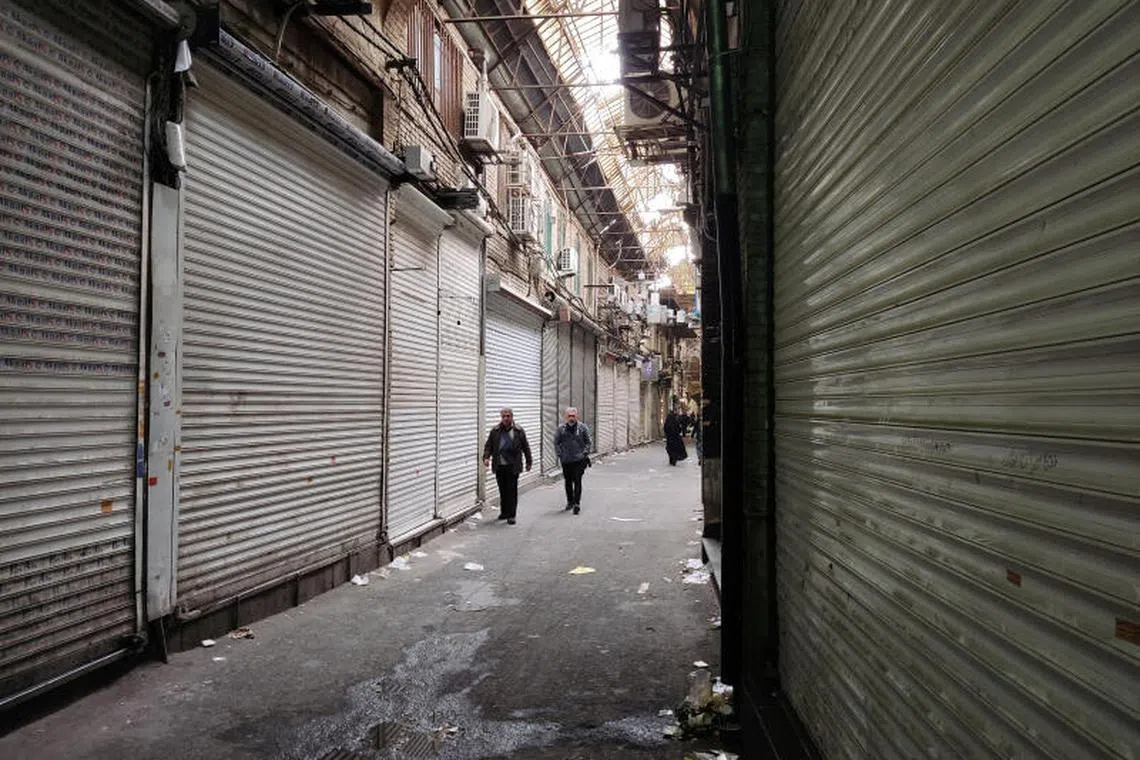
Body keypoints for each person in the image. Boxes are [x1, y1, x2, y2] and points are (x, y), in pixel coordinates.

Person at [482, 408, 532, 525]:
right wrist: (486, 457)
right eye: (503, 416)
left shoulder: (518, 431)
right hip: (500, 465)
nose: (505, 418)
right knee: (503, 490)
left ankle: (511, 515)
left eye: (508, 416)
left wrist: (529, 462)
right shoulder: (495, 431)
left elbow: (525, 447)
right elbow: (489, 445)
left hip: (513, 466)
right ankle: (504, 512)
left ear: (512, 417)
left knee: (512, 490)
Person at [554, 407, 592, 515]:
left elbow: (588, 441)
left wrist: (585, 452)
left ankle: (577, 503)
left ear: (577, 416)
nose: (571, 418)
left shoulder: (582, 428)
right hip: (566, 460)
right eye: (569, 416)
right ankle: (570, 501)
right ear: (566, 417)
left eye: (573, 416)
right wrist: (560, 454)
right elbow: (556, 442)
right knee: (568, 481)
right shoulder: (561, 429)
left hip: (579, 460)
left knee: (577, 480)